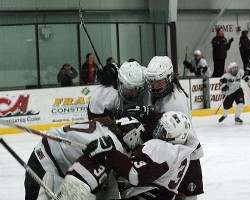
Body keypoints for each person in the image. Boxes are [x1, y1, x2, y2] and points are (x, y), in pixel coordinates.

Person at [24, 116, 144, 200]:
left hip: (43, 158)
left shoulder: (101, 129)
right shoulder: (113, 144)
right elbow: (106, 184)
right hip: (46, 166)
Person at [86, 111, 195, 199]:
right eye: (160, 126)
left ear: (174, 137)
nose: (158, 132)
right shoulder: (184, 150)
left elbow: (136, 174)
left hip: (148, 194)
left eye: (163, 131)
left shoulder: (160, 147)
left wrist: (112, 154)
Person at [141, 56, 204, 200]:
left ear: (169, 78)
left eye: (159, 82)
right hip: (178, 154)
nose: (155, 86)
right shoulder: (167, 91)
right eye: (153, 81)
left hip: (186, 156)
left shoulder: (174, 103)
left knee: (187, 197)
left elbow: (173, 136)